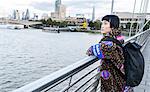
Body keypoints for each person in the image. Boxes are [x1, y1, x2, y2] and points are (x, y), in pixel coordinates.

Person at [86, 15, 133, 92]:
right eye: (102, 23)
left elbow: (89, 51)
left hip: (112, 82)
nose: (102, 26)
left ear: (113, 26)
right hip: (120, 79)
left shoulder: (109, 45)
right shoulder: (118, 38)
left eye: (105, 23)